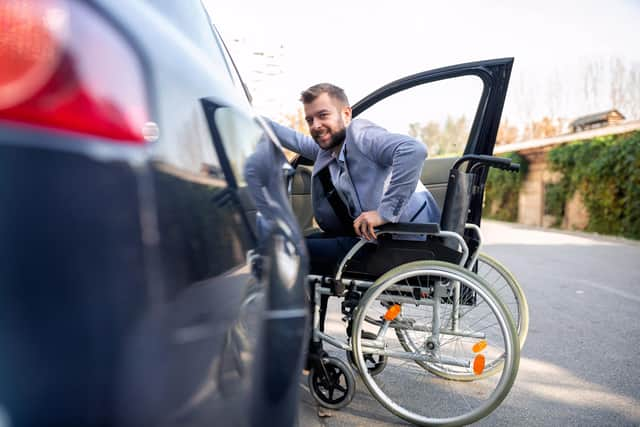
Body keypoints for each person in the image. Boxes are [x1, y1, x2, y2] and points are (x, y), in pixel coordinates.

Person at [267, 83, 440, 357]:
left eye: (323, 115)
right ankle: (312, 344)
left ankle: (303, 346)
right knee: (308, 242)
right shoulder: (333, 148)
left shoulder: (361, 135)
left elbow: (413, 150)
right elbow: (296, 140)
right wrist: (249, 117)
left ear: (346, 114)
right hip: (384, 240)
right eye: (310, 119)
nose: (315, 125)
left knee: (292, 251)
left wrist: (385, 212)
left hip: (399, 242)